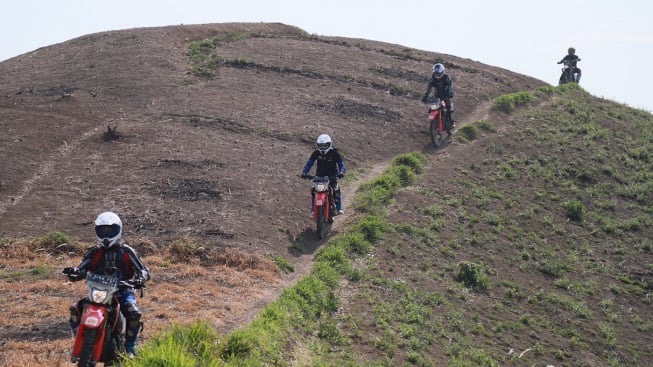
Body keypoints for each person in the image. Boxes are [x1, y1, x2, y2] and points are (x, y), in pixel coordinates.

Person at [65, 211, 151, 358]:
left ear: (118, 230)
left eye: (110, 230)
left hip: (123, 291)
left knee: (134, 313)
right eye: (103, 230)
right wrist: (73, 273)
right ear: (97, 231)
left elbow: (143, 270)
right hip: (97, 292)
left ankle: (129, 347)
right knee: (75, 310)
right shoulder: (94, 252)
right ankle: (79, 342)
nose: (106, 234)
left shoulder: (126, 251)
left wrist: (140, 279)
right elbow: (81, 268)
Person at [301, 134, 345, 216]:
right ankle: (313, 209)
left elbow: (340, 163)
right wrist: (304, 172)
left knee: (336, 189)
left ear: (329, 144)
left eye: (325, 146)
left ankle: (339, 207)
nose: (323, 148)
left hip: (332, 175)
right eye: (321, 146)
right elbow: (309, 163)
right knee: (314, 190)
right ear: (318, 145)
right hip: (319, 176)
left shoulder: (334, 153)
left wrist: (341, 172)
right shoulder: (316, 153)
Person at [421, 63, 455, 128]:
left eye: (439, 74)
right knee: (432, 108)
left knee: (449, 108)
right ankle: (434, 122)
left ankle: (451, 121)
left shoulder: (446, 78)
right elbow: (429, 89)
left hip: (446, 95)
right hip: (437, 96)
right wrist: (425, 97)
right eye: (436, 74)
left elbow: (450, 87)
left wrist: (450, 94)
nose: (437, 76)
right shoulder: (433, 79)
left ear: (442, 72)